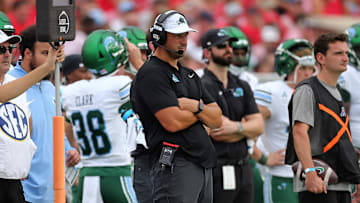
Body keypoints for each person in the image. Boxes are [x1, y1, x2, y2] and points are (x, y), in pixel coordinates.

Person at [131, 10, 222, 203]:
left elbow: (216, 119)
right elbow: (172, 121)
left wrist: (194, 107)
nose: (183, 40)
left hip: (201, 163)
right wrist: (202, 111)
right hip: (175, 163)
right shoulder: (152, 73)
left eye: (185, 35)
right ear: (160, 37)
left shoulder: (188, 74)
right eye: (177, 35)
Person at [62, 29, 138, 203]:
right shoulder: (120, 85)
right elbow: (155, 89)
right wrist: (137, 61)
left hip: (87, 175)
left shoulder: (71, 91)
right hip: (116, 172)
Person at [7, 25, 80, 203]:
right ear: (27, 54)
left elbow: (53, 128)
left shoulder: (49, 87)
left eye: (53, 53)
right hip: (22, 191)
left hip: (52, 190)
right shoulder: (11, 84)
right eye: (45, 53)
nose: (53, 59)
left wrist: (69, 151)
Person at [285, 33, 360, 203]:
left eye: (347, 53)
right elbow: (299, 132)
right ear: (321, 58)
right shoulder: (308, 89)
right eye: (338, 53)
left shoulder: (337, 90)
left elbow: (342, 138)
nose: (345, 58)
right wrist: (310, 172)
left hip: (341, 182)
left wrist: (355, 177)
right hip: (319, 183)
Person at [200, 28, 264, 203]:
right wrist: (245, 129)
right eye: (221, 46)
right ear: (207, 52)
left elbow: (259, 126)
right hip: (217, 167)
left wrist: (236, 127)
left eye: (230, 45)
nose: (229, 49)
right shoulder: (201, 85)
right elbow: (214, 128)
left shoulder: (242, 84)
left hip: (244, 166)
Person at [254, 38, 316, 203]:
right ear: (287, 67)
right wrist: (264, 158)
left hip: (314, 176)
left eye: (311, 68)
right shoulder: (271, 93)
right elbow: (248, 131)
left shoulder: (318, 93)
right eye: (302, 68)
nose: (308, 73)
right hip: (283, 176)